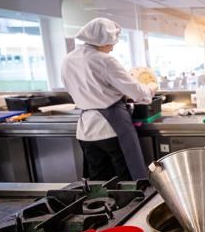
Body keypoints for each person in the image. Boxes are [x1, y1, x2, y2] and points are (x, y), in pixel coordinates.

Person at [61, 18, 158, 181]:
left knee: (100, 182)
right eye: (111, 43)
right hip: (111, 128)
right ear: (103, 40)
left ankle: (105, 207)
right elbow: (138, 93)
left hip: (86, 130)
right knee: (128, 180)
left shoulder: (68, 59)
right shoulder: (104, 60)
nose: (112, 48)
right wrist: (152, 86)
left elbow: (84, 89)